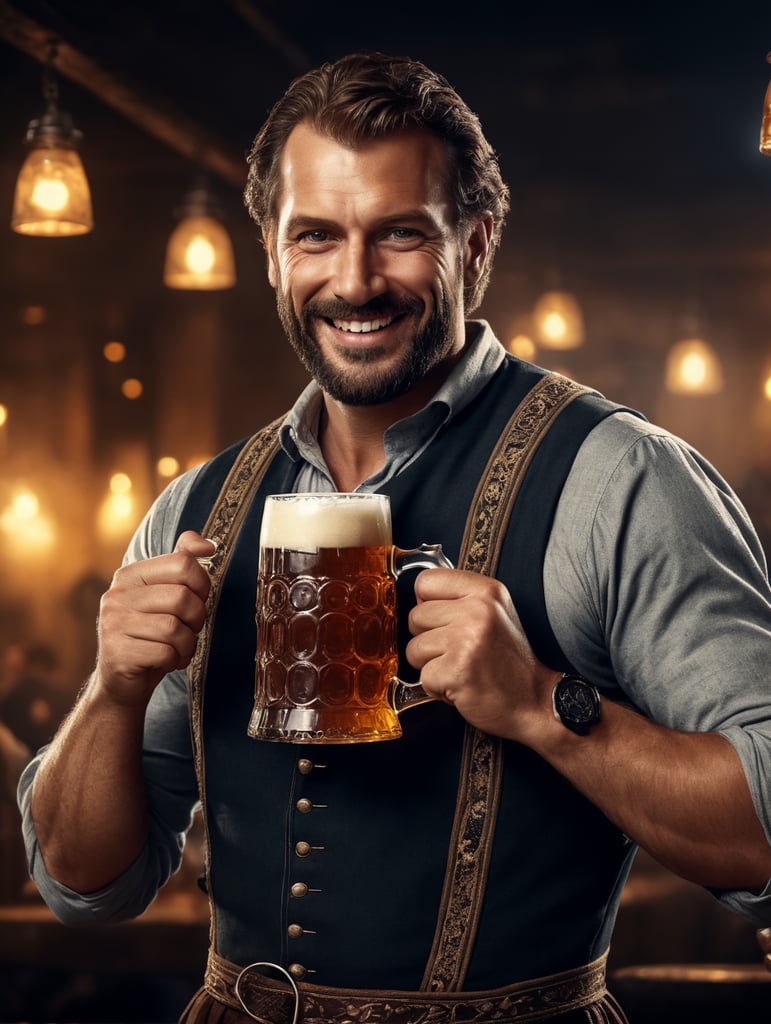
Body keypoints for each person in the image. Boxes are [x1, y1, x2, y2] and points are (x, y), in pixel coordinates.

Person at [18, 52, 771, 1024]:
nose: (354, 280)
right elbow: (84, 887)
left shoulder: (622, 479)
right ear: (272, 252)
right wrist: (113, 690)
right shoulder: (195, 507)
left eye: (401, 234)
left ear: (476, 243)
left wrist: (541, 704)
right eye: (316, 236)